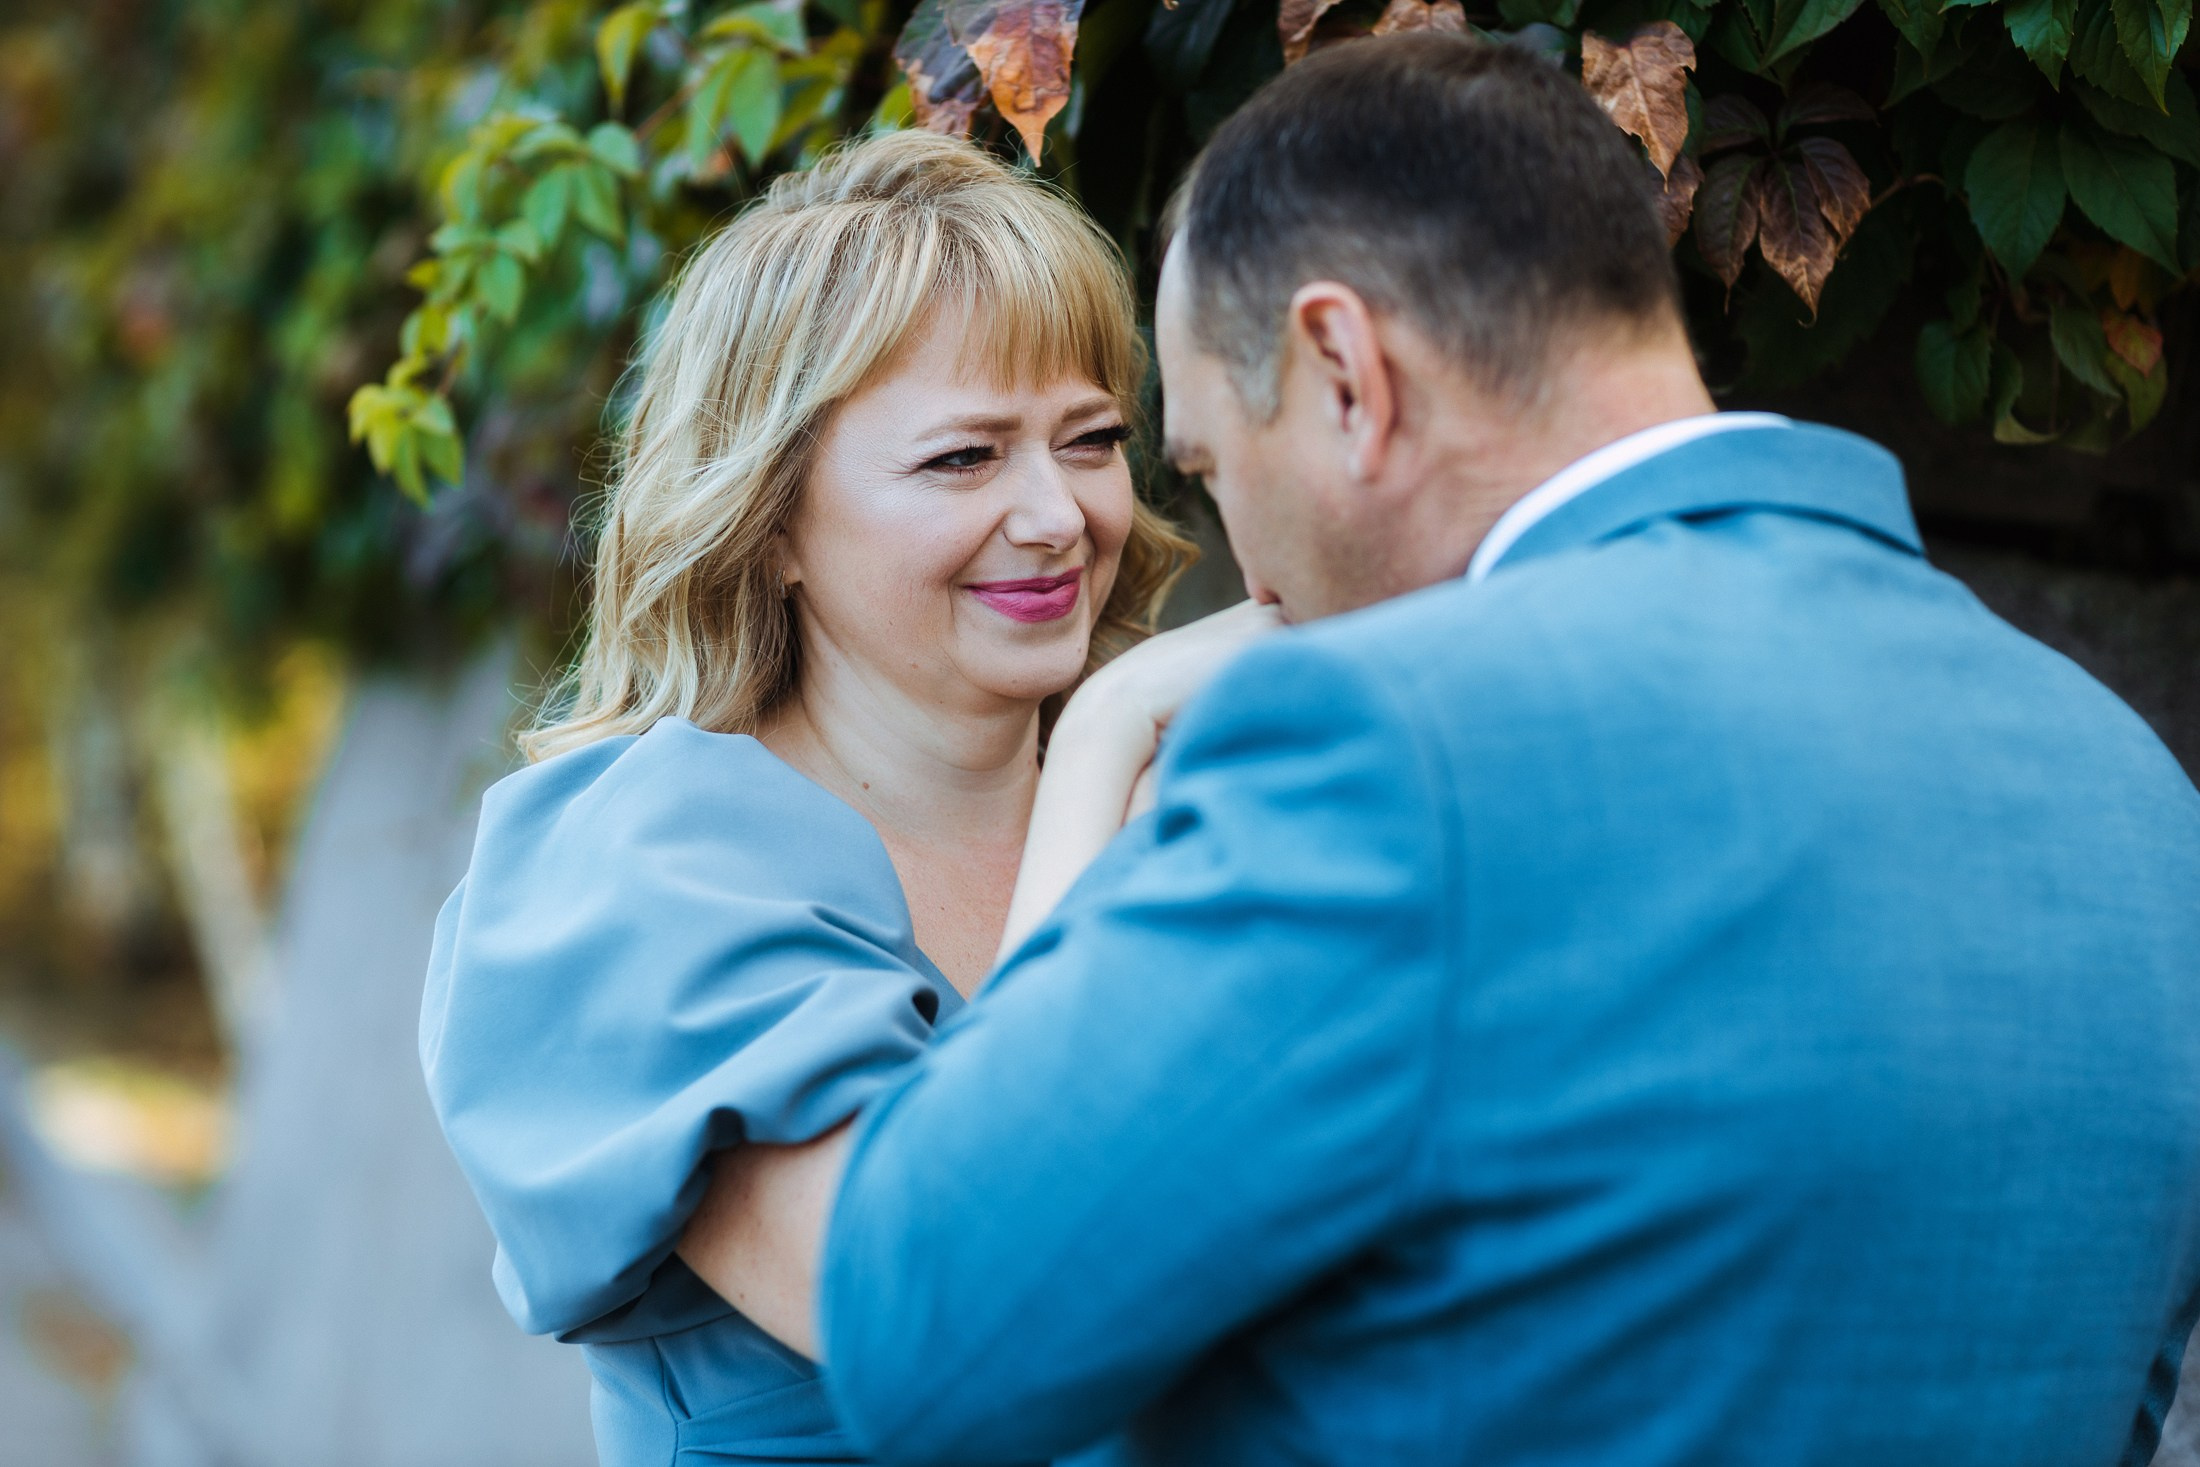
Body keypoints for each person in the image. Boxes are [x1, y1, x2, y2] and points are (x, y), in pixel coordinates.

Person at [680, 35, 2200, 1466]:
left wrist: (1100, 751)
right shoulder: (2131, 793)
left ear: (1346, 374)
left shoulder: (1382, 746)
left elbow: (931, 1325)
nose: (1246, 568)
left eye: (1210, 465)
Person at [416, 130, 1263, 1466]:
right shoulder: (636, 880)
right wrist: (1099, 741)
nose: (1056, 515)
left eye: (1089, 438)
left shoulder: (1222, 809)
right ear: (775, 522)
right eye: (965, 459)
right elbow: (965, 1317)